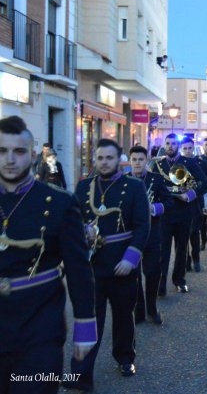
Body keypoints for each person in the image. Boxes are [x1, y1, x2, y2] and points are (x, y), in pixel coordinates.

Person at [0, 116, 97, 394]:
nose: (9, 159)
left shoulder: (59, 203)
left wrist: (85, 328)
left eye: (18, 152)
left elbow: (79, 270)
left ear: (32, 156)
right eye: (2, 151)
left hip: (39, 327)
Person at [66, 138, 150, 390]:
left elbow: (142, 226)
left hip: (122, 264)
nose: (104, 162)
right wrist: (82, 231)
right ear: (95, 159)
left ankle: (125, 357)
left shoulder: (133, 187)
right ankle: (80, 373)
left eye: (109, 158)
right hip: (92, 265)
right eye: (100, 158)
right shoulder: (83, 188)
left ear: (118, 159)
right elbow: (72, 223)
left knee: (124, 317)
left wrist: (130, 259)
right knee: (88, 320)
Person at [149, 133, 207, 295]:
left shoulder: (188, 162)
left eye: (173, 143)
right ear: (164, 145)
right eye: (167, 143)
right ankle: (160, 284)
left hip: (184, 212)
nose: (170, 146)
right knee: (163, 250)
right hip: (164, 213)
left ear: (178, 146)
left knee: (182, 249)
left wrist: (189, 195)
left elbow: (205, 183)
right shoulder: (158, 164)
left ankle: (179, 280)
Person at [129, 146, 173, 326]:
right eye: (134, 159)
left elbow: (169, 201)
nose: (138, 163)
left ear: (146, 161)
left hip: (152, 233)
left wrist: (154, 208)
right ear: (130, 161)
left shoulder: (155, 179)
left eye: (141, 159)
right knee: (134, 275)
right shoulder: (124, 181)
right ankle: (139, 310)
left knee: (153, 272)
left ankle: (152, 308)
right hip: (130, 236)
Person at [181, 138, 207, 272]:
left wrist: (195, 193)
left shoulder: (201, 163)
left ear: (194, 148)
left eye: (190, 148)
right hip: (181, 203)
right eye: (185, 148)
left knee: (194, 233)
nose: (188, 151)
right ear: (182, 149)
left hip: (196, 203)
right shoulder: (178, 163)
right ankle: (186, 260)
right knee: (183, 235)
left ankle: (196, 259)